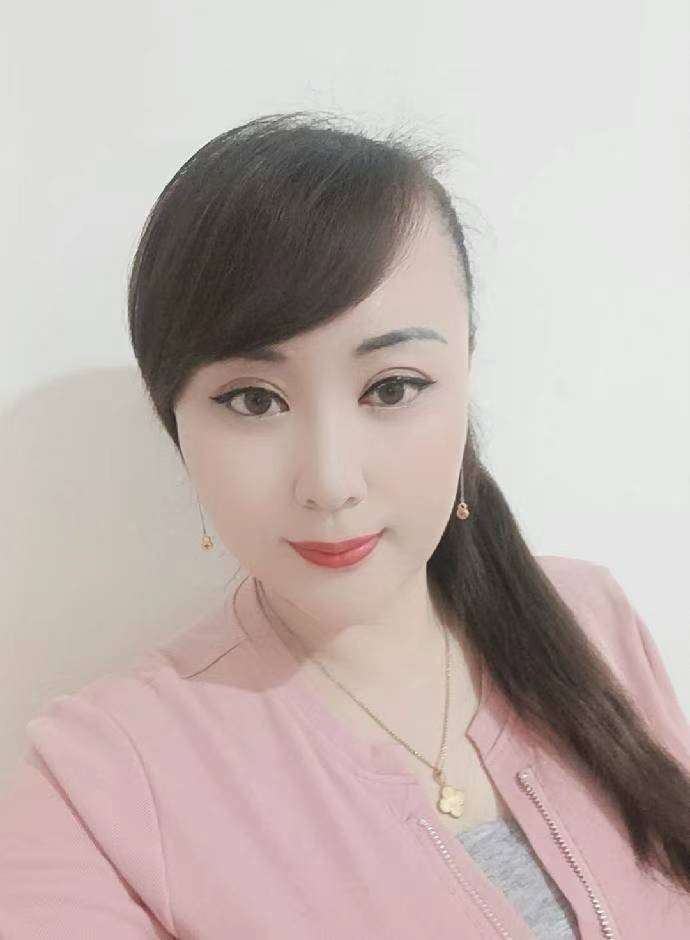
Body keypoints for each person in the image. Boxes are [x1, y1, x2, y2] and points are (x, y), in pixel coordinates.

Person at [1, 111, 689, 939]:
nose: (329, 482)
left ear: (465, 373)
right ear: (174, 420)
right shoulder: (99, 782)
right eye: (253, 400)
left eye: (391, 387)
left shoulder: (592, 619)